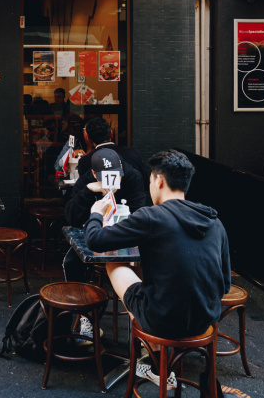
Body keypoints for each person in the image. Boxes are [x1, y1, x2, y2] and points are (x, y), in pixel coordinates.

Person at [86, 150, 231, 389]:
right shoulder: (214, 220)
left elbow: (95, 241)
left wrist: (95, 214)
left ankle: (155, 360)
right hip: (204, 321)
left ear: (159, 180)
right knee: (153, 281)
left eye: (151, 180)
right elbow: (224, 283)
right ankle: (156, 363)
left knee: (113, 262)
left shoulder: (151, 217)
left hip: (164, 320)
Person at [61, 147, 148, 342]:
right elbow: (71, 218)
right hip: (95, 237)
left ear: (121, 168)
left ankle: (144, 327)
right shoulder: (87, 180)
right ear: (94, 174)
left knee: (146, 263)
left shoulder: (132, 177)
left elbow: (141, 211)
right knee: (71, 262)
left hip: (127, 237)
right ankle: (86, 317)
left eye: (116, 175)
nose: (113, 180)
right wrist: (88, 190)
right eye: (106, 177)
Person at [75, 117, 148, 182]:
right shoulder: (133, 153)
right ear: (111, 133)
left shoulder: (85, 161)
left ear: (89, 139)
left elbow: (84, 189)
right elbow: (146, 180)